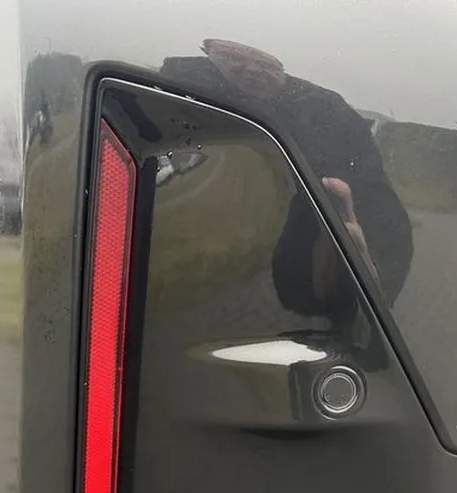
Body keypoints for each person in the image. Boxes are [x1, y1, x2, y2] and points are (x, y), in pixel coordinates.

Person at [160, 40, 413, 323]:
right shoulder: (174, 91)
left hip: (300, 295)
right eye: (233, 56)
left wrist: (373, 279)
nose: (252, 69)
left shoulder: (331, 119)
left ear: (285, 72)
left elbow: (381, 209)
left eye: (266, 64)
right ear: (208, 55)